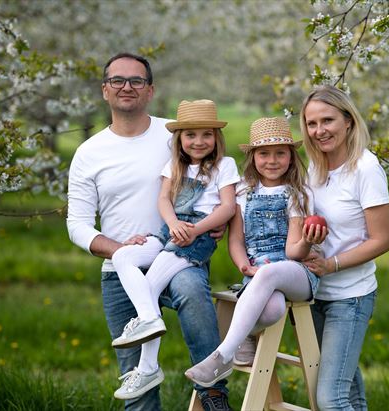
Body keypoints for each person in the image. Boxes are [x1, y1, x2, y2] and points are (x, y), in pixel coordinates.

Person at [66, 53, 232, 410]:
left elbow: (219, 180)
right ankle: (146, 373)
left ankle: (214, 392)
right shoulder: (88, 152)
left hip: (179, 254)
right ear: (105, 90)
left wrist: (217, 222)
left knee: (192, 293)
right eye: (117, 80)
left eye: (136, 80)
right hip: (121, 269)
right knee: (136, 385)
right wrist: (118, 249)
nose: (127, 87)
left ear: (150, 90)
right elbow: (76, 224)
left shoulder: (178, 134)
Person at [109, 99, 239, 399]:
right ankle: (148, 320)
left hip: (198, 234)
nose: (198, 141)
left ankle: (147, 367)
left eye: (206, 135)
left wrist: (197, 229)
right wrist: (172, 223)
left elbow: (227, 207)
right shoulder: (174, 166)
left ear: (216, 137)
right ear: (179, 138)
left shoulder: (224, 165)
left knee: (151, 284)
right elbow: (164, 200)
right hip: (170, 229)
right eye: (190, 135)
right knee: (123, 256)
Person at [184, 117, 320, 388]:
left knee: (271, 273)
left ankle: (222, 355)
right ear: (253, 157)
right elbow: (236, 240)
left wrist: (307, 241)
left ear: (291, 157)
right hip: (257, 271)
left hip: (296, 272)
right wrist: (243, 266)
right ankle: (245, 335)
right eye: (264, 154)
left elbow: (294, 252)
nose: (272, 160)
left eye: (280, 153)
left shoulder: (298, 193)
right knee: (272, 309)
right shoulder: (244, 192)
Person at [299, 85, 389, 410]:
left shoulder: (365, 168)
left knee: (330, 399)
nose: (319, 130)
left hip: (349, 297)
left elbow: (382, 240)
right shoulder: (314, 167)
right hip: (314, 294)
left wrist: (332, 264)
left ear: (348, 120)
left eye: (328, 120)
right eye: (312, 123)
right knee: (347, 393)